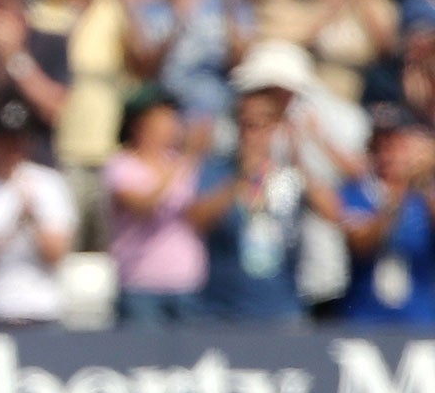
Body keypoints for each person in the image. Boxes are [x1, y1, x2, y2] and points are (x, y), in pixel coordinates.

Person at [188, 87, 340, 324]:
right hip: (221, 311)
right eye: (247, 125)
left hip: (282, 309)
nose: (253, 135)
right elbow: (197, 220)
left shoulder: (291, 174)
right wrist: (241, 180)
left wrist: (297, 157)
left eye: (263, 125)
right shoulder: (218, 170)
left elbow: (332, 213)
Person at [0, 96, 74, 325]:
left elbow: (57, 254)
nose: (13, 147)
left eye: (19, 139)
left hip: (42, 309)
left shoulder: (48, 183)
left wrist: (33, 216)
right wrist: (14, 220)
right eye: (5, 139)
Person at [103, 90, 207, 323]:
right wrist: (187, 158)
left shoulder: (183, 163)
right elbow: (144, 206)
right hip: (141, 286)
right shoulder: (121, 165)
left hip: (186, 283)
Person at [339, 110, 435, 325]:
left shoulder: (424, 195)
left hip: (419, 321)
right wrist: (396, 201)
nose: (388, 155)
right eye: (380, 146)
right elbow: (361, 244)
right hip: (365, 320)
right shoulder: (356, 193)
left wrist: (424, 180)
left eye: (396, 146)